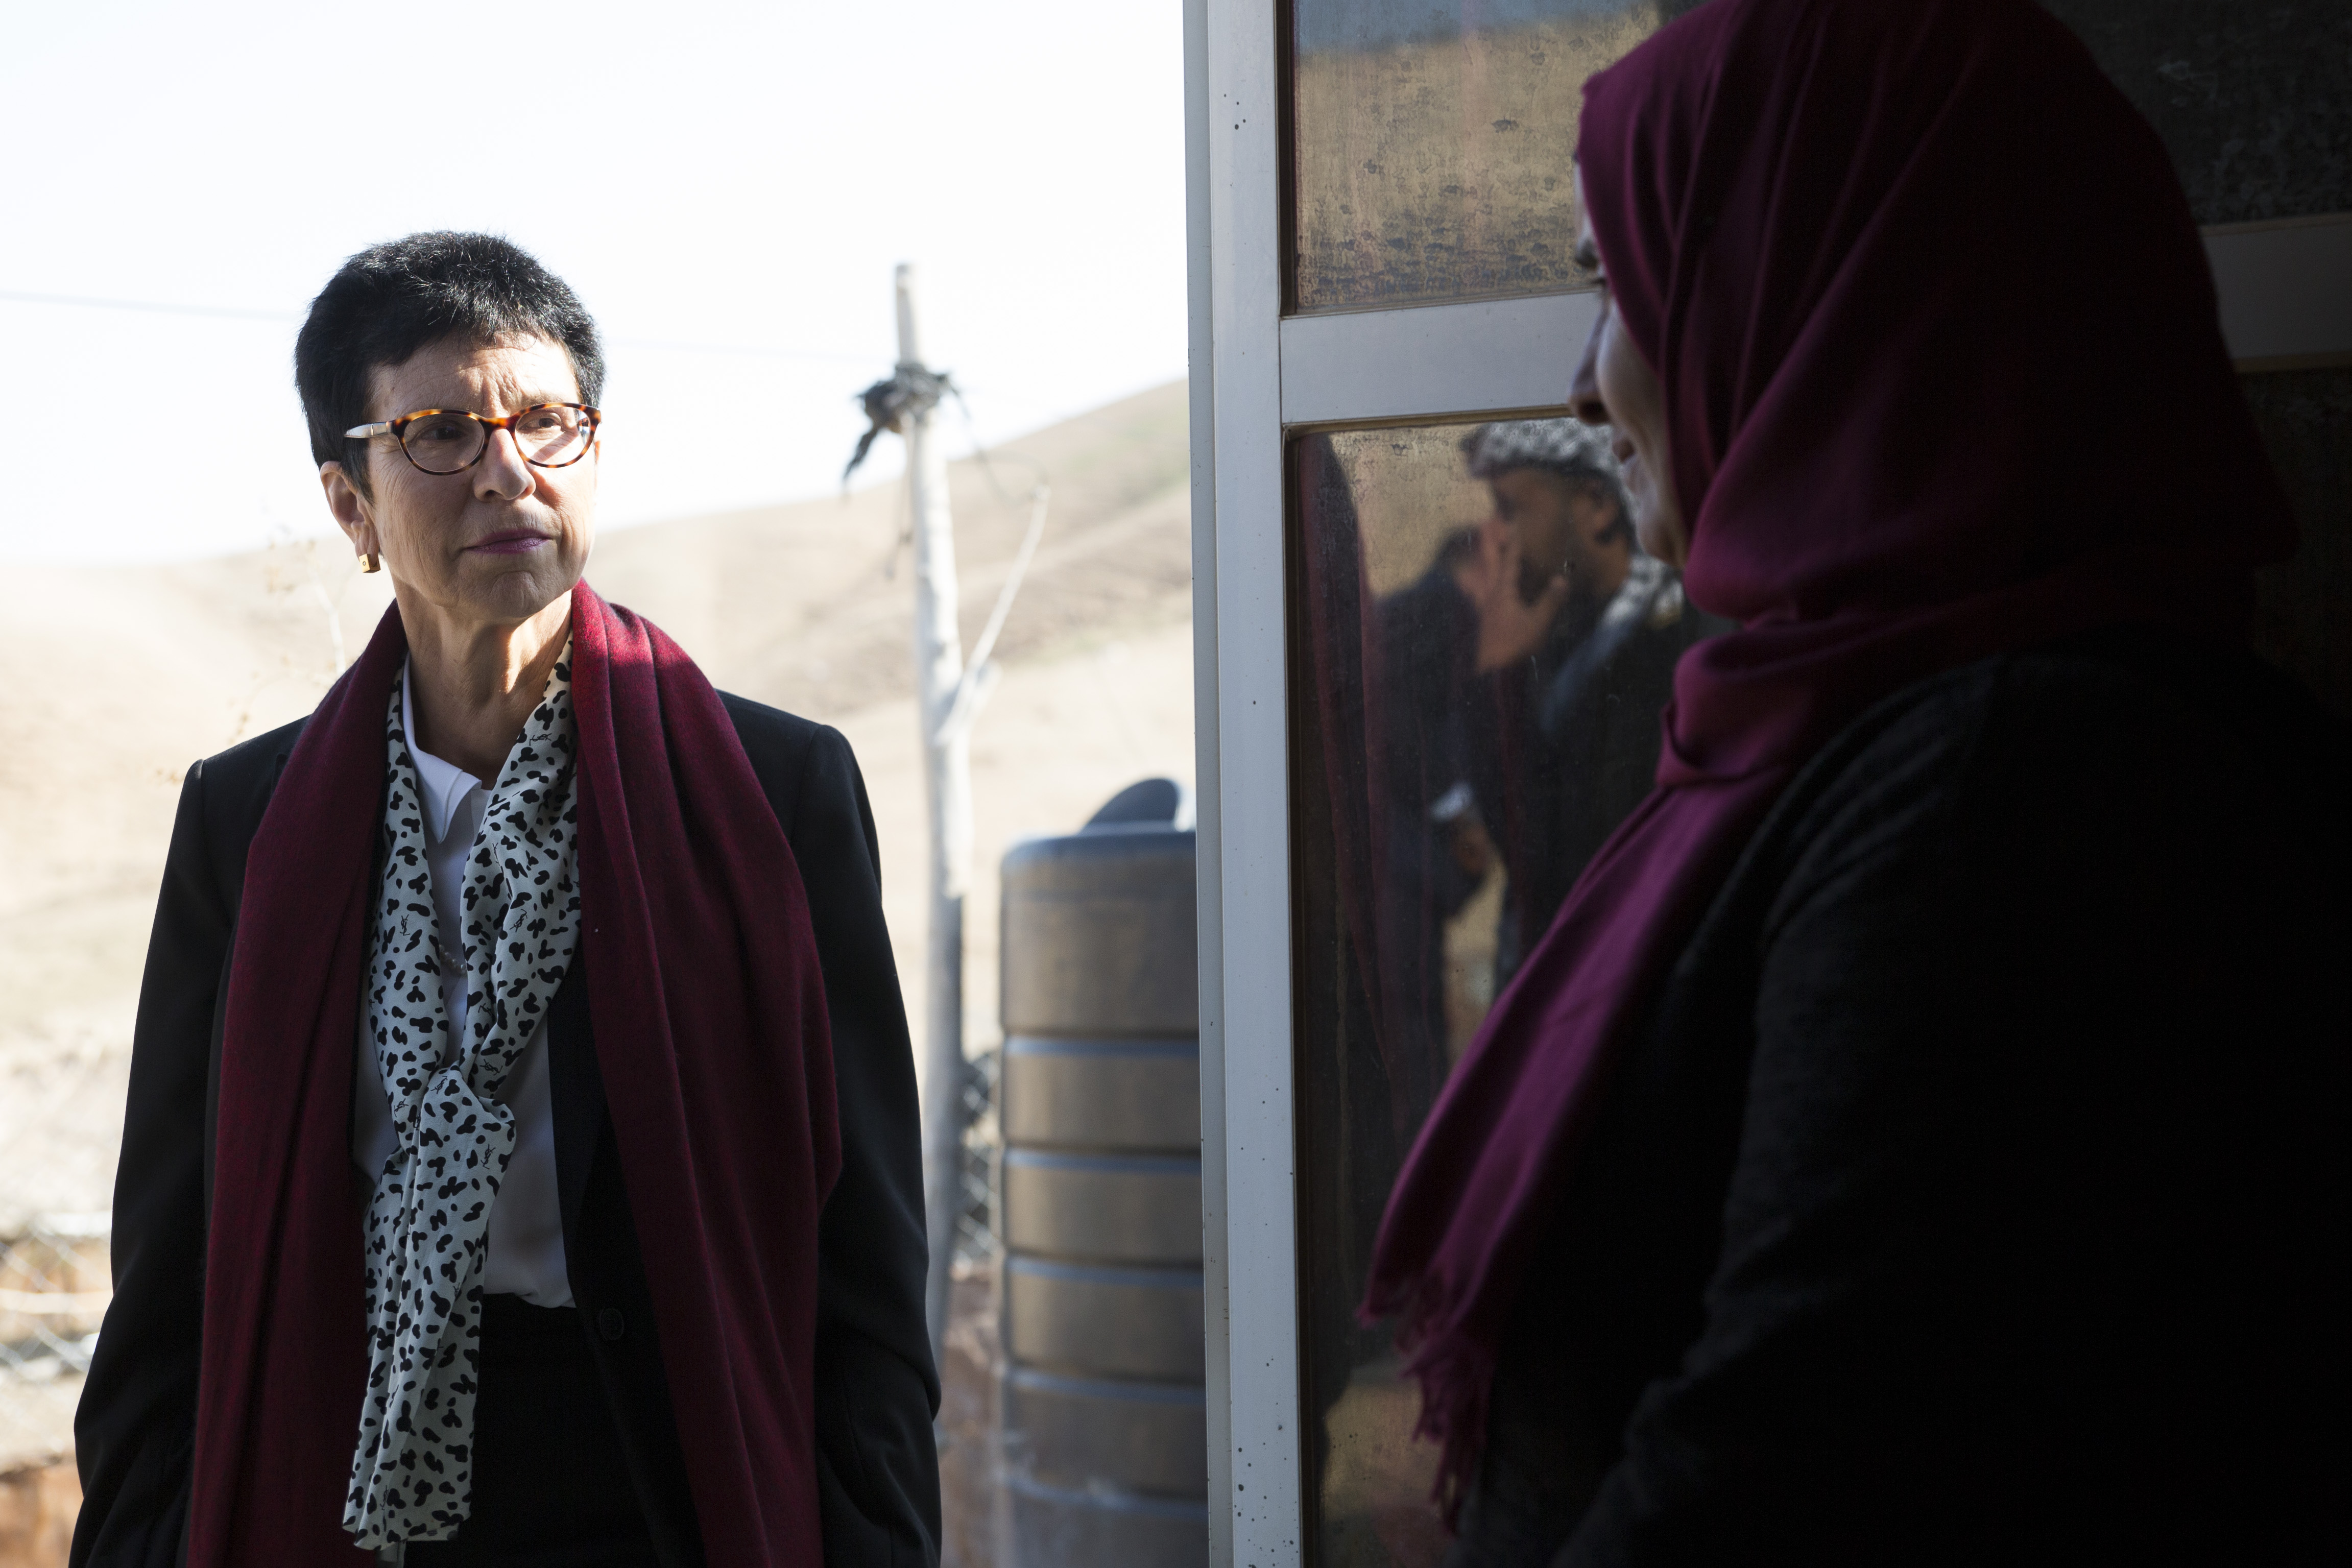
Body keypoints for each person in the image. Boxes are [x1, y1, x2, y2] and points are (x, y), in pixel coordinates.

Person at [1363, 1, 2347, 1562]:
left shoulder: (2008, 790)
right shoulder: (1849, 736)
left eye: (1619, 281)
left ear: (1820, 291)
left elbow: (1787, 1465)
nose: (1582, 372)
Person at [71, 233, 940, 1568]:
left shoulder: (777, 795)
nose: (505, 470)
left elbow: (864, 1274)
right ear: (349, 504)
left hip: (672, 1485)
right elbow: (173, 1288)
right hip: (336, 1483)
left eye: (545, 421)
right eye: (436, 432)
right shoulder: (247, 825)